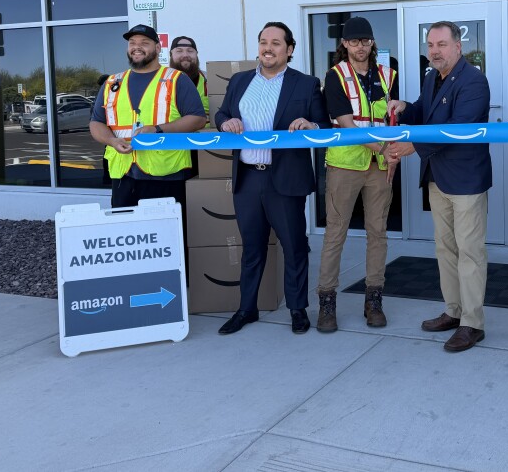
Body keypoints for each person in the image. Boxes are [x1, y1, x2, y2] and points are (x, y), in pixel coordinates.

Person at [214, 22, 330, 336]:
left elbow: (322, 124)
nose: (268, 47)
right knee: (251, 248)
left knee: (294, 246)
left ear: (289, 49)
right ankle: (247, 309)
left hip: (286, 179)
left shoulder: (305, 84)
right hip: (248, 179)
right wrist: (227, 122)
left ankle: (297, 308)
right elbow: (221, 114)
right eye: (264, 41)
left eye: (276, 42)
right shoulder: (239, 81)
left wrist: (310, 124)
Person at [386, 21, 491, 353]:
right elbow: (425, 114)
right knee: (446, 250)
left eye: (442, 44)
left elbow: (457, 127)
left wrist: (413, 147)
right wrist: (406, 108)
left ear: (458, 47)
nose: (434, 50)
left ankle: (472, 324)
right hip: (437, 178)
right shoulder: (432, 77)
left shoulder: (474, 80)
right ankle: (453, 312)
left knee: (470, 253)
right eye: (430, 44)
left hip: (465, 182)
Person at [316, 17, 398, 332]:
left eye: (365, 40)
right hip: (345, 165)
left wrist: (392, 151)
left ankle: (374, 300)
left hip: (379, 167)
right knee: (336, 233)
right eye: (354, 41)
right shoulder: (335, 75)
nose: (360, 46)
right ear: (344, 45)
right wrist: (381, 149)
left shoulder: (387, 75)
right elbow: (346, 123)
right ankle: (327, 303)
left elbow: (391, 121)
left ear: (372, 43)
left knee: (378, 233)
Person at [89, 24, 207, 208]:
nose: (137, 46)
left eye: (144, 42)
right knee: (127, 231)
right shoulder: (112, 82)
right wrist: (112, 141)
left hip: (166, 174)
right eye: (132, 42)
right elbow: (96, 122)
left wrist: (158, 129)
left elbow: (198, 119)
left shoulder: (176, 79)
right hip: (123, 176)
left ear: (158, 48)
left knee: (166, 233)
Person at [169, 36, 208, 117]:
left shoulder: (210, 80)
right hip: (171, 129)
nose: (185, 55)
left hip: (205, 129)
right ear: (171, 54)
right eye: (179, 51)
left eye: (190, 51)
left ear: (196, 54)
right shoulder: (160, 81)